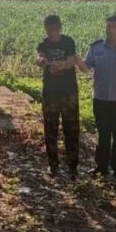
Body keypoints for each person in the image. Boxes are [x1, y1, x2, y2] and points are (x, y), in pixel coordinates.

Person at [74, 15, 116, 181]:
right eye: (109, 27)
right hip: (101, 99)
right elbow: (86, 68)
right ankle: (101, 167)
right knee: (103, 134)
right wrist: (77, 60)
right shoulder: (96, 48)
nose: (111, 30)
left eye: (115, 27)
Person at [36, 15, 80, 178]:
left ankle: (73, 166)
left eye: (55, 29)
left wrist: (62, 65)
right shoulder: (43, 44)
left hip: (69, 92)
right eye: (49, 29)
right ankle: (53, 165)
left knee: (72, 129)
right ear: (46, 29)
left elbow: (71, 60)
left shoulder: (68, 42)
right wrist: (41, 61)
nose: (52, 32)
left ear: (60, 27)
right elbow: (40, 57)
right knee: (50, 129)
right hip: (50, 93)